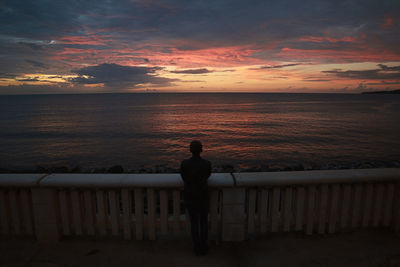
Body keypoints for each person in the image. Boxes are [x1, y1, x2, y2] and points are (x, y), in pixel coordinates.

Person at [180, 140, 212, 256]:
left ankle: (196, 247)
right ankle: (203, 246)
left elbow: (183, 177)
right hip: (203, 196)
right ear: (201, 150)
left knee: (194, 222)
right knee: (203, 221)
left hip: (190, 196)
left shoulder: (184, 164)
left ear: (190, 150)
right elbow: (208, 175)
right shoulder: (207, 163)